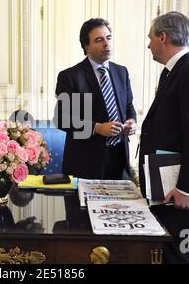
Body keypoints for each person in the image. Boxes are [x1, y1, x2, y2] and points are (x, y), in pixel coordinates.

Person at [139, 11, 189, 263]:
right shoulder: (173, 71)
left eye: (150, 37)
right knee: (167, 250)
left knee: (179, 253)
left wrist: (186, 188)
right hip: (165, 185)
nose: (148, 43)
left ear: (163, 37)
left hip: (178, 188)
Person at [53, 18, 137, 180]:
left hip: (120, 160)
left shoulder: (121, 72)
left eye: (109, 37)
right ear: (87, 47)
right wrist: (97, 128)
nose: (106, 43)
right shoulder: (71, 77)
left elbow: (128, 106)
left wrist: (132, 121)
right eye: (99, 40)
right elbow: (62, 119)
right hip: (85, 164)